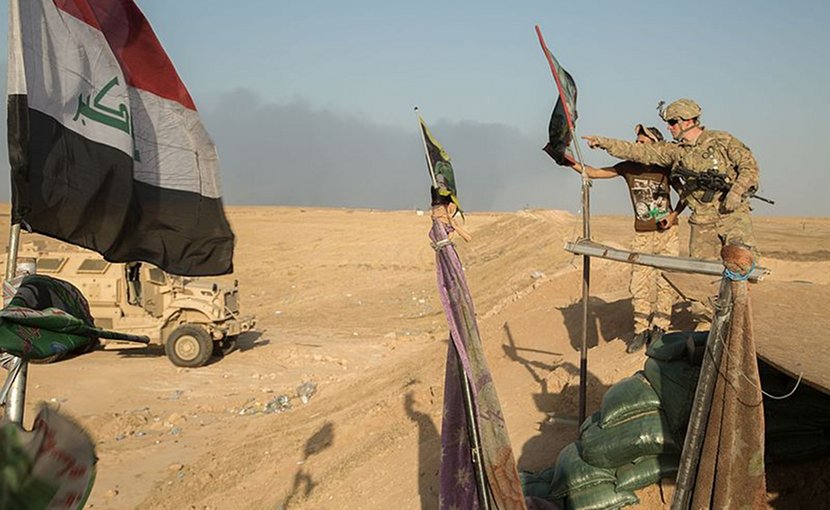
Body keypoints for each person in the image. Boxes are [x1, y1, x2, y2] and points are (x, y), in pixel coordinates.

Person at [582, 99, 760, 261]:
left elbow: (749, 166)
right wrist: (603, 142)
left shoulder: (722, 140)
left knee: (740, 261)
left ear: (688, 121)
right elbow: (637, 152)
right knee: (705, 270)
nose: (669, 127)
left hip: (732, 215)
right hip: (702, 220)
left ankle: (739, 296)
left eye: (673, 122)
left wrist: (736, 192)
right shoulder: (675, 152)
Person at [568, 124, 678, 353]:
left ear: (655, 144)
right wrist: (568, 161)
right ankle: (641, 330)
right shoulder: (629, 167)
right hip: (642, 234)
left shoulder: (666, 167)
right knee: (638, 283)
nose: (637, 146)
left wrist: (673, 214)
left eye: (642, 142)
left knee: (665, 281)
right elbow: (596, 173)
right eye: (636, 142)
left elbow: (686, 193)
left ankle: (660, 327)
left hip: (667, 234)